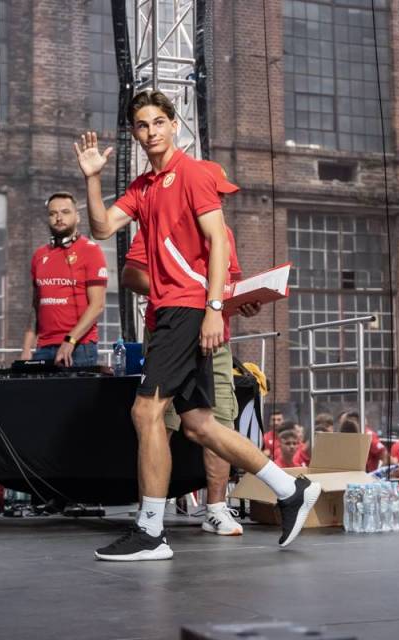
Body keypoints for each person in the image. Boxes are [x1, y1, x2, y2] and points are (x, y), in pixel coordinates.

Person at [75, 89, 321, 560]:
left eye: (158, 122)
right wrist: (92, 178)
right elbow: (103, 227)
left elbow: (218, 242)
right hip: (173, 311)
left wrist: (213, 308)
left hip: (186, 309)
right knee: (200, 425)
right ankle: (290, 489)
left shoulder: (192, 173)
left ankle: (150, 532)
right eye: (142, 125)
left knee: (145, 413)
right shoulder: (144, 187)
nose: (151, 132)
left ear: (174, 125)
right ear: (134, 134)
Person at [121, 165, 260, 536]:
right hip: (170, 331)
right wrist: (178, 293)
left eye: (223, 194)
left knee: (218, 418)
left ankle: (217, 508)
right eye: (216, 192)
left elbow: (226, 287)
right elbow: (131, 274)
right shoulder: (161, 221)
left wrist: (243, 302)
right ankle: (149, 516)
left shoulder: (223, 233)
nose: (221, 199)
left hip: (214, 338)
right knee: (156, 419)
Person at [20, 192, 107, 367]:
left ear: (77, 217)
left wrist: (70, 340)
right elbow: (36, 307)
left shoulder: (91, 251)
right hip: (43, 347)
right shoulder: (39, 255)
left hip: (79, 347)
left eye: (65, 212)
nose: (59, 218)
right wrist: (26, 348)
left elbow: (97, 305)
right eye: (53, 214)